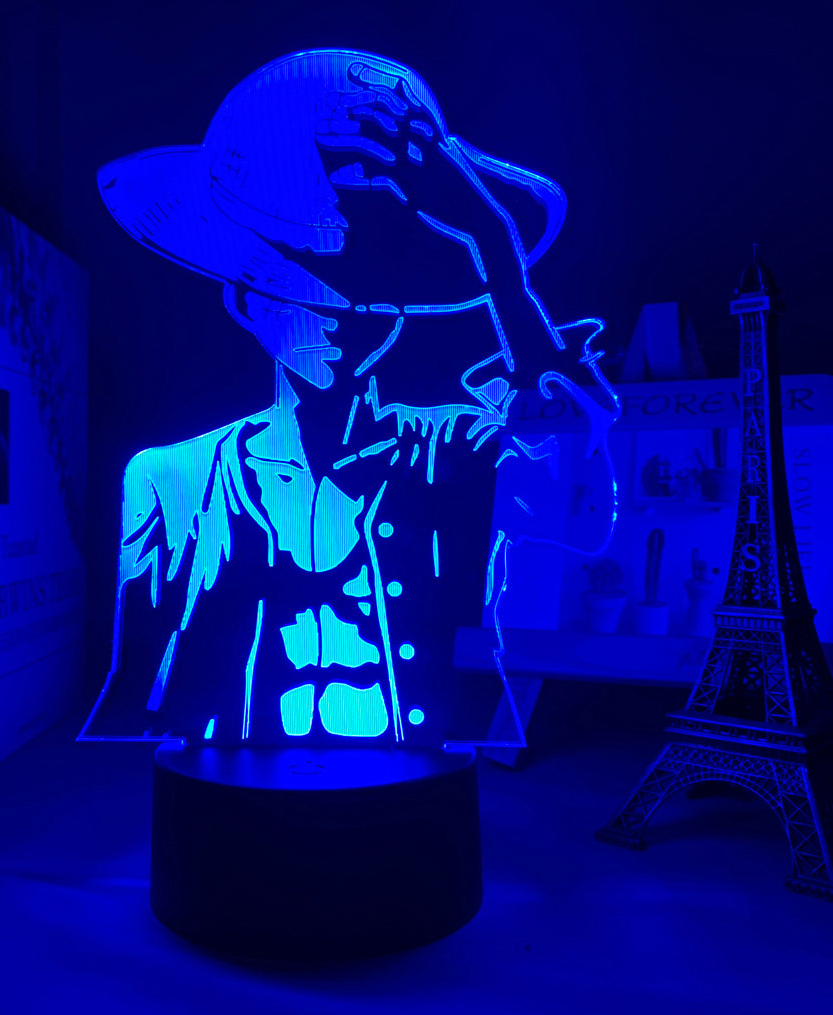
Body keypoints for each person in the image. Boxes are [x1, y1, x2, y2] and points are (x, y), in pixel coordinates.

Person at [81, 50, 619, 746]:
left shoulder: (454, 449)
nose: (339, 318)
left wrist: (492, 249)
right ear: (247, 302)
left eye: (368, 298)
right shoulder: (172, 479)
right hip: (226, 780)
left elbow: (581, 514)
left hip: (417, 773)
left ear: (397, 315)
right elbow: (134, 686)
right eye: (302, 292)